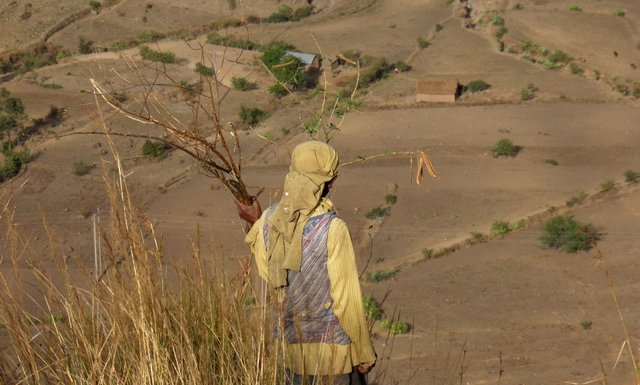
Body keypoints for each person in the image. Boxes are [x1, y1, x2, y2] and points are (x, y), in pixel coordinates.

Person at [236, 141, 376, 385]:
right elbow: (346, 300)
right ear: (330, 182)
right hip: (332, 359)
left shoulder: (270, 221)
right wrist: (364, 353)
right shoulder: (333, 229)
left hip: (289, 355)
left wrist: (255, 222)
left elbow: (271, 276)